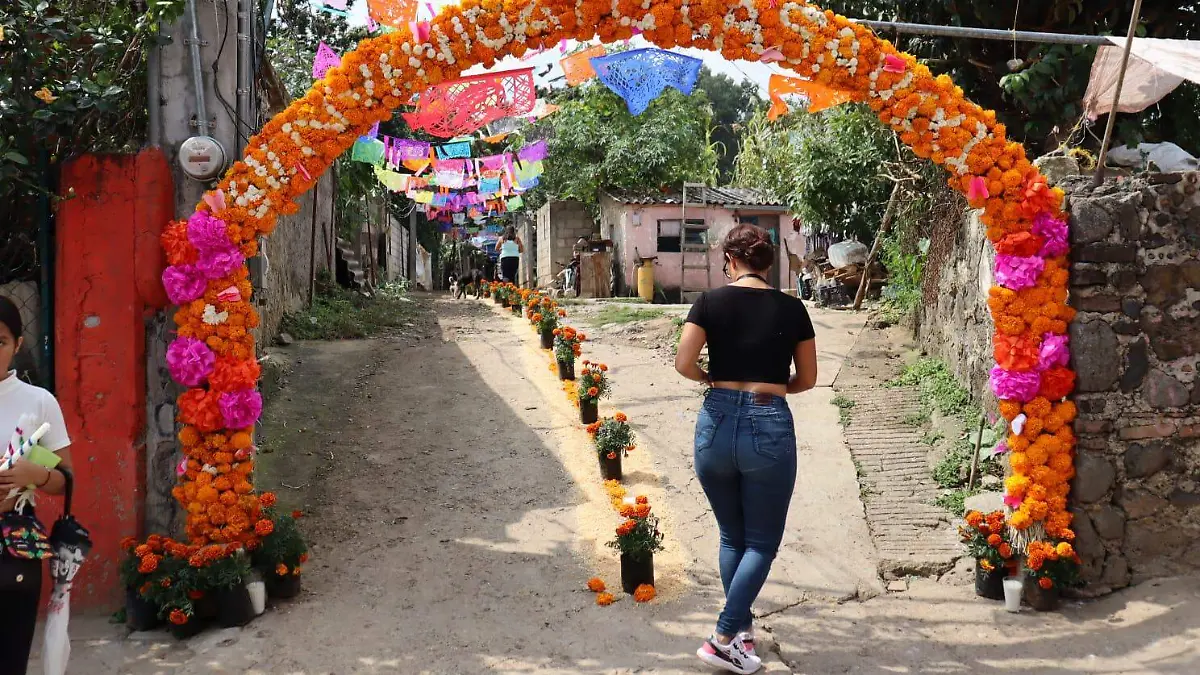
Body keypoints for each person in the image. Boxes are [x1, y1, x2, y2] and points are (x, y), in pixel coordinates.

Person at [674, 224, 818, 675]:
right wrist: (774, 389)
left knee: (732, 536)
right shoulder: (792, 308)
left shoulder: (709, 302)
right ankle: (722, 637)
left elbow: (684, 362)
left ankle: (740, 633)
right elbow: (808, 379)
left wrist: (712, 383)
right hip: (768, 420)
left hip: (715, 422)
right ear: (767, 262)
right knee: (761, 542)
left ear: (730, 261)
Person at [0, 295, 74, 675]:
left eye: (0, 342)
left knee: (11, 656)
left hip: (14, 543)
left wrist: (34, 475)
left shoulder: (38, 405)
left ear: (17, 345)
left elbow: (65, 480)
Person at [783, 217, 806, 296]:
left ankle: (801, 293)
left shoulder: (799, 234)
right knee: (799, 276)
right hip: (796, 258)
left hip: (799, 258)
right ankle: (801, 293)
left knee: (800, 276)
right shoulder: (793, 236)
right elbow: (792, 249)